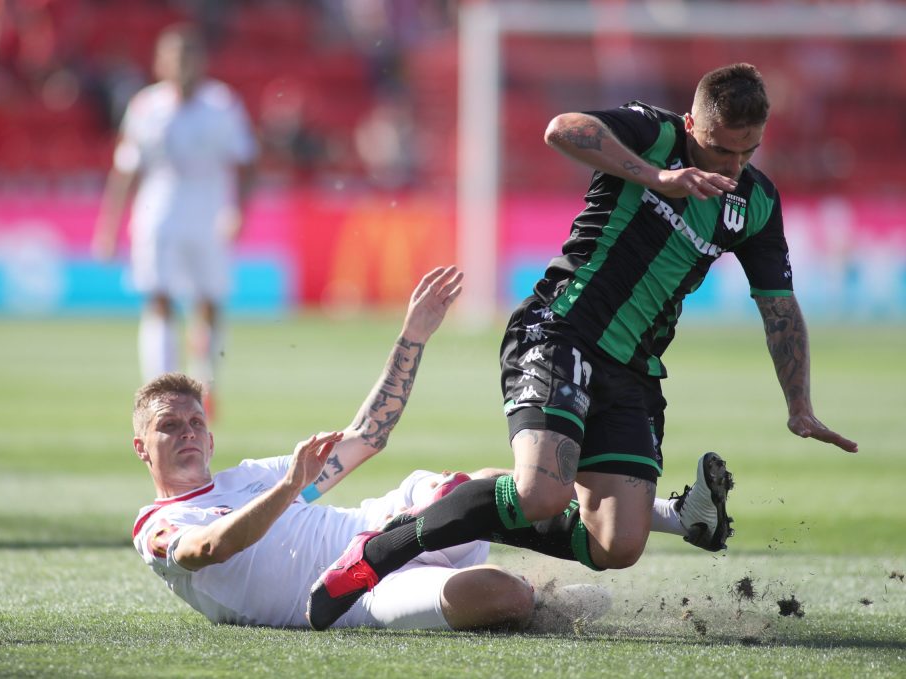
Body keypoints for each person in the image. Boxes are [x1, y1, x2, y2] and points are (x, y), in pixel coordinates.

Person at [306, 63, 858, 631]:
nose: (733, 167)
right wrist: (653, 176)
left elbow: (779, 307)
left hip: (634, 369)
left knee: (618, 544)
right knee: (540, 493)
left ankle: (458, 510)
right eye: (721, 151)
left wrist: (799, 404)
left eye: (748, 153)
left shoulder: (756, 202)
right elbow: (562, 129)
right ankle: (375, 555)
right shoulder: (654, 133)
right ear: (693, 123)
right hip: (560, 331)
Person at [132, 267, 538, 630]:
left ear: (210, 439)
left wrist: (412, 336)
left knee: (491, 486)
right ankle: (541, 592)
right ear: (142, 448)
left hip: (386, 523)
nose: (187, 433)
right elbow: (210, 547)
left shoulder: (252, 475)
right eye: (169, 426)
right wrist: (289, 488)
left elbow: (367, 436)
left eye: (195, 423)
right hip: (357, 595)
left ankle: (593, 535)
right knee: (502, 596)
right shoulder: (157, 526)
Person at [92, 24, 257, 417]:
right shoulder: (146, 107)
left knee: (209, 301)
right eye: (174, 56)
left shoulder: (223, 104)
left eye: (189, 55)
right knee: (159, 298)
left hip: (208, 212)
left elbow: (247, 161)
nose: (182, 64)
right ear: (160, 62)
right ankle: (159, 391)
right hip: (158, 213)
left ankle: (206, 383)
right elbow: (126, 169)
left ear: (201, 61)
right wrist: (109, 225)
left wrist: (238, 210)